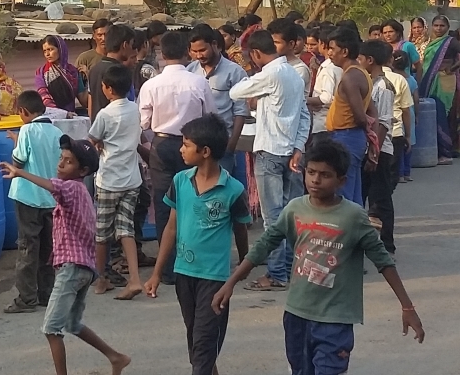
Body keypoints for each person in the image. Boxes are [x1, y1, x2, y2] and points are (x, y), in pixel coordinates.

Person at [211, 140, 425, 375]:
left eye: (325, 175)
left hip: (335, 320)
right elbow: (263, 245)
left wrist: (407, 306)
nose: (315, 180)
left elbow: (383, 262)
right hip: (297, 315)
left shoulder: (354, 217)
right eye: (311, 172)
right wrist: (230, 283)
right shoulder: (294, 209)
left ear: (341, 181)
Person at [0, 137, 132, 375]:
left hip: (72, 267)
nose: (61, 164)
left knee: (51, 328)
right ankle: (116, 357)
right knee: (72, 324)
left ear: (83, 171)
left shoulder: (71, 188)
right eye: (61, 158)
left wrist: (20, 172)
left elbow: (53, 186)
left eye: (68, 161)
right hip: (82, 267)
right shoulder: (80, 191)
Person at [143, 115, 250, 375]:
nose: (181, 149)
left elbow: (241, 232)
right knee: (197, 342)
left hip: (215, 280)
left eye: (186, 145)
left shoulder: (233, 190)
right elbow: (171, 227)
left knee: (203, 346)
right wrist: (157, 273)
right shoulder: (180, 181)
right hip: (184, 274)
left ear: (205, 152)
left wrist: (238, 274)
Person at [228, 30, 310, 292]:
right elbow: (304, 115)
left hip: (270, 151)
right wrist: (299, 146)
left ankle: (276, 273)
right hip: (289, 150)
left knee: (273, 218)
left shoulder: (270, 74)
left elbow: (235, 92)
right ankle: (286, 268)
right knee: (287, 214)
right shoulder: (295, 75)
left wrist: (257, 82)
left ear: (255, 54)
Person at [139, 31, 214, 285]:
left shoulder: (151, 85)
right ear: (186, 52)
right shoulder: (198, 82)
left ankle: (168, 268)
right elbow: (210, 117)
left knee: (163, 204)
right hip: (192, 144)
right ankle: (193, 263)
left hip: (160, 144)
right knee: (195, 200)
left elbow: (144, 122)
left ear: (161, 54)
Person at [89, 65, 145, 300]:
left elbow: (92, 139)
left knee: (102, 233)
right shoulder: (135, 109)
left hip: (109, 180)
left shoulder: (105, 114)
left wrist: (100, 145)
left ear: (108, 89)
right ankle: (134, 279)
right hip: (131, 179)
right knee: (126, 230)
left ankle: (101, 278)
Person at [3, 91, 60, 314]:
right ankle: (46, 293)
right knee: (47, 249)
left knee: (27, 247)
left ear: (24, 112)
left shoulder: (26, 130)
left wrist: (17, 141)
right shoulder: (56, 131)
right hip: (50, 198)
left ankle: (26, 298)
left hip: (28, 198)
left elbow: (19, 160)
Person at [187, 24, 250, 175]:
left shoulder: (235, 72)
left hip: (223, 144)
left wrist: (231, 144)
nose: (199, 55)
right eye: (194, 51)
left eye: (202, 50)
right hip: (195, 145)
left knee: (220, 189)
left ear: (215, 45)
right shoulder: (190, 70)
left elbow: (240, 111)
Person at [358, 40, 397, 254]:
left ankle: (387, 244)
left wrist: (375, 151)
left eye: (361, 58)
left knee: (380, 197)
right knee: (364, 195)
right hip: (368, 148)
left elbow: (383, 122)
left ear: (370, 60)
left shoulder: (383, 87)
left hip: (380, 150)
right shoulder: (369, 82)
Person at [326, 26, 373, 204]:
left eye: (332, 48)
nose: (329, 53)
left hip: (347, 136)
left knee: (343, 193)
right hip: (349, 136)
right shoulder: (358, 72)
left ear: (344, 51)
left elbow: (361, 116)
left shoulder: (350, 76)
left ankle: (348, 230)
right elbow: (371, 111)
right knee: (353, 191)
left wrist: (368, 132)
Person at [417, 15, 459, 164]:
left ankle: (446, 152)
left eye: (442, 26)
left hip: (445, 81)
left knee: (443, 112)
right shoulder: (431, 43)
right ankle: (437, 150)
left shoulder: (451, 42)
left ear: (447, 27)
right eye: (436, 25)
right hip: (430, 81)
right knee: (433, 114)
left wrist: (451, 68)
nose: (439, 28)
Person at [87, 24, 135, 120]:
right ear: (125, 45)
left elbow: (91, 104)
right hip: (116, 128)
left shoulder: (94, 69)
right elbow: (126, 105)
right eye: (132, 45)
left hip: (98, 127)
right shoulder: (120, 72)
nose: (133, 50)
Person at [307, 27, 344, 136]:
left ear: (322, 44)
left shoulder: (329, 68)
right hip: (332, 122)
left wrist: (304, 99)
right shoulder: (339, 66)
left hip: (323, 123)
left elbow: (326, 98)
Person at [36, 35, 88, 112]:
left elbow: (84, 101)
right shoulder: (41, 72)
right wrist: (62, 114)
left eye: (50, 49)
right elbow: (44, 97)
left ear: (60, 49)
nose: (47, 54)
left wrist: (89, 77)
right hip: (51, 117)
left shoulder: (73, 72)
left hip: (71, 118)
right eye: (44, 51)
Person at [391, 50, 418, 182]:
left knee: (398, 146)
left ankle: (400, 173)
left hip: (397, 114)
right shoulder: (411, 80)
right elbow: (416, 99)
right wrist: (417, 115)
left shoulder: (391, 79)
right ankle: (407, 172)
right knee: (409, 143)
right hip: (410, 113)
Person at [268, 18, 312, 98]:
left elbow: (283, 96)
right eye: (271, 42)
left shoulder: (299, 69)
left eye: (277, 42)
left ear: (291, 44)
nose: (272, 46)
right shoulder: (272, 64)